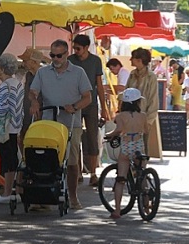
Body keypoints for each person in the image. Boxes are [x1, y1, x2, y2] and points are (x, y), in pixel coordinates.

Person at [29, 39, 92, 209]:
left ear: (66, 54)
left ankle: (73, 196)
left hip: (71, 123)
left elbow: (87, 97)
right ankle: (44, 198)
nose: (55, 59)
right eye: (52, 55)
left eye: (59, 56)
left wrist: (75, 107)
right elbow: (33, 91)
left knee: (71, 162)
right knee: (46, 160)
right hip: (49, 122)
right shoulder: (43, 72)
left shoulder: (78, 72)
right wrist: (34, 101)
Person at [68, 34, 109, 186]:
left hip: (91, 104)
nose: (76, 51)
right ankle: (77, 172)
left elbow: (99, 85)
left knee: (92, 137)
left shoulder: (95, 61)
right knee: (75, 138)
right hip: (74, 103)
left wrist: (104, 108)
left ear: (86, 48)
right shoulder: (70, 60)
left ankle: (93, 173)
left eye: (78, 48)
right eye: (74, 48)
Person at [103, 88, 149, 220]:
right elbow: (146, 130)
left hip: (126, 146)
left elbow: (118, 130)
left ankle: (117, 210)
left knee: (121, 179)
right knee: (142, 175)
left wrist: (109, 135)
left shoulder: (120, 116)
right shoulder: (143, 116)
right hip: (138, 145)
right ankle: (146, 206)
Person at [0, 53, 25, 204]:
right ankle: (16, 191)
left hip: (5, 128)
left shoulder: (4, 86)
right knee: (14, 159)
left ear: (2, 69)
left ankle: (7, 192)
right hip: (15, 126)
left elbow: (1, 110)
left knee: (7, 160)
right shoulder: (17, 84)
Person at [125, 48, 162, 159]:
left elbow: (153, 99)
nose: (130, 60)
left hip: (143, 117)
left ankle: (142, 168)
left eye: (132, 58)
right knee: (127, 147)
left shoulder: (151, 76)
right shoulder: (132, 74)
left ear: (139, 60)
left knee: (141, 149)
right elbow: (126, 93)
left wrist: (149, 121)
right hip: (129, 116)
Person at [16, 47, 47, 148]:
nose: (23, 63)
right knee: (23, 138)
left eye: (25, 60)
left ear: (33, 62)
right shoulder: (29, 75)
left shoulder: (44, 75)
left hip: (39, 113)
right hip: (27, 112)